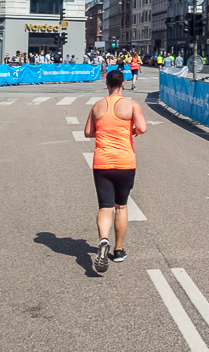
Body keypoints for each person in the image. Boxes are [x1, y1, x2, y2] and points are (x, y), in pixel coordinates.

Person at [84, 69, 147, 273]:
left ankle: (103, 240)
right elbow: (143, 128)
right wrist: (132, 130)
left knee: (105, 207)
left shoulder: (97, 105)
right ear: (124, 84)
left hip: (102, 162)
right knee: (121, 206)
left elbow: (88, 132)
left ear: (107, 84)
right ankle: (118, 250)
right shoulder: (131, 105)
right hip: (125, 162)